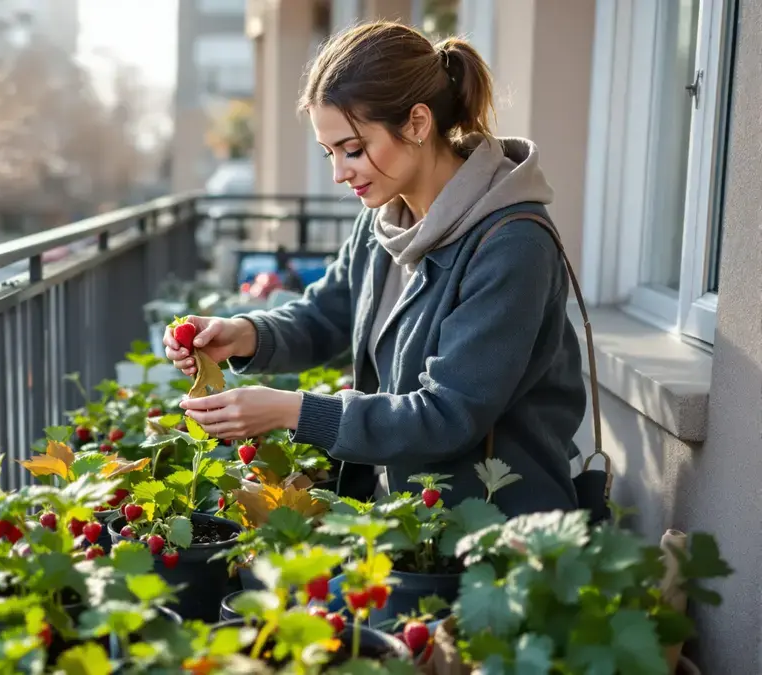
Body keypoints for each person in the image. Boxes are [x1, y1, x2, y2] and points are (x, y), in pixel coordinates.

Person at [164, 21, 585, 516]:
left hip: (494, 527)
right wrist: (243, 334)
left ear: (418, 123)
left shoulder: (512, 244)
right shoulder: (385, 219)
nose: (339, 173)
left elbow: (447, 415)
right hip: (405, 518)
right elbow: (329, 312)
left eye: (354, 149)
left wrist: (290, 410)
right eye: (329, 152)